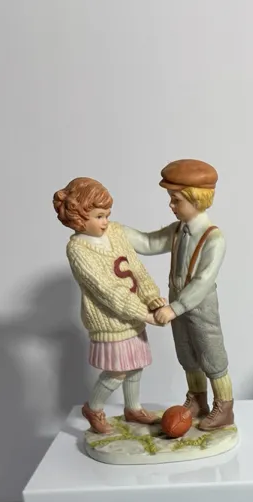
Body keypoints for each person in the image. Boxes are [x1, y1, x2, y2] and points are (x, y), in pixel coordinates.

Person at [122, 159, 234, 432]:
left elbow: (203, 281)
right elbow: (148, 242)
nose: (170, 205)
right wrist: (115, 230)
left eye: (176, 199)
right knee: (187, 354)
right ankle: (197, 400)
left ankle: (224, 407)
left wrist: (174, 308)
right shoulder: (176, 231)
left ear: (196, 199)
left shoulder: (213, 238)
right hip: (177, 304)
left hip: (199, 306)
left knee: (211, 355)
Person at [53, 177, 165, 435]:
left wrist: (152, 297)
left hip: (133, 316)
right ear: (79, 218)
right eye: (99, 216)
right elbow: (107, 290)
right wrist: (145, 313)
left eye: (107, 215)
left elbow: (136, 268)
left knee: (135, 364)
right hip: (111, 321)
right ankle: (93, 408)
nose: (105, 222)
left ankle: (133, 408)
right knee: (116, 371)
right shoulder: (78, 250)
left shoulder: (114, 232)